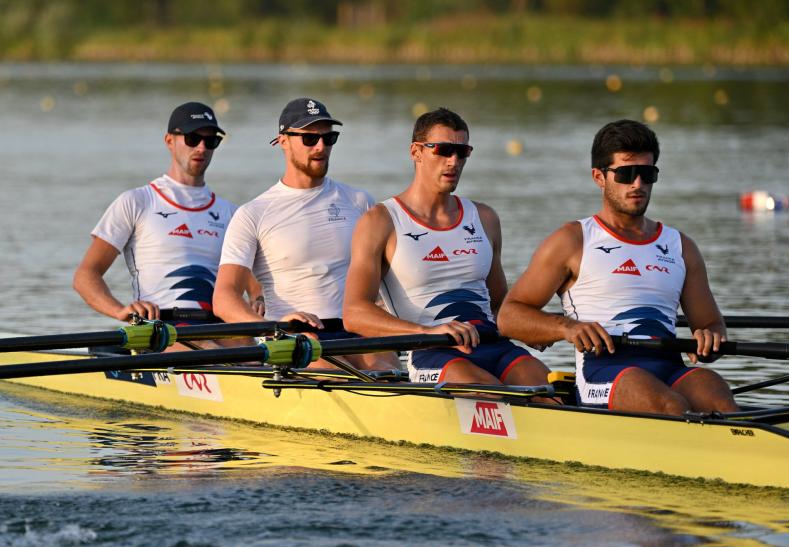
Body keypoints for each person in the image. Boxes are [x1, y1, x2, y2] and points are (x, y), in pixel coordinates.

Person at [497, 119, 739, 415]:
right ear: (599, 177)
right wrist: (566, 327)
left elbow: (711, 324)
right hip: (605, 372)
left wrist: (709, 337)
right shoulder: (572, 241)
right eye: (626, 174)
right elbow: (509, 316)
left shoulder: (681, 247)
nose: (637, 184)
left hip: (668, 366)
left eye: (647, 174)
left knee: (715, 393)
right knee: (669, 404)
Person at [342, 107, 552, 392]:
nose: (453, 161)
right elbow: (355, 313)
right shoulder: (380, 221)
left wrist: (541, 327)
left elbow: (500, 304)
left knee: (552, 393)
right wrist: (427, 332)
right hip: (432, 351)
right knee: (497, 395)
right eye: (443, 150)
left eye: (462, 152)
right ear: (416, 151)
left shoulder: (485, 218)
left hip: (493, 344)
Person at [213, 97, 396, 371]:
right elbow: (224, 298)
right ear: (283, 141)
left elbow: (390, 277)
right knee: (336, 375)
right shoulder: (254, 213)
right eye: (310, 139)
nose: (321, 146)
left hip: (355, 329)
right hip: (292, 334)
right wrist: (273, 327)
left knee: (386, 371)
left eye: (329, 138)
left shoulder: (360, 201)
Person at [74, 102, 259, 333]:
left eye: (210, 141)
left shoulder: (231, 213)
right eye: (193, 138)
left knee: (250, 356)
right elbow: (86, 275)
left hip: (220, 326)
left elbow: (255, 286)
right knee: (211, 348)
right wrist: (120, 310)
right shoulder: (137, 202)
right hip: (161, 327)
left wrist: (258, 299)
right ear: (169, 141)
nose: (201, 148)